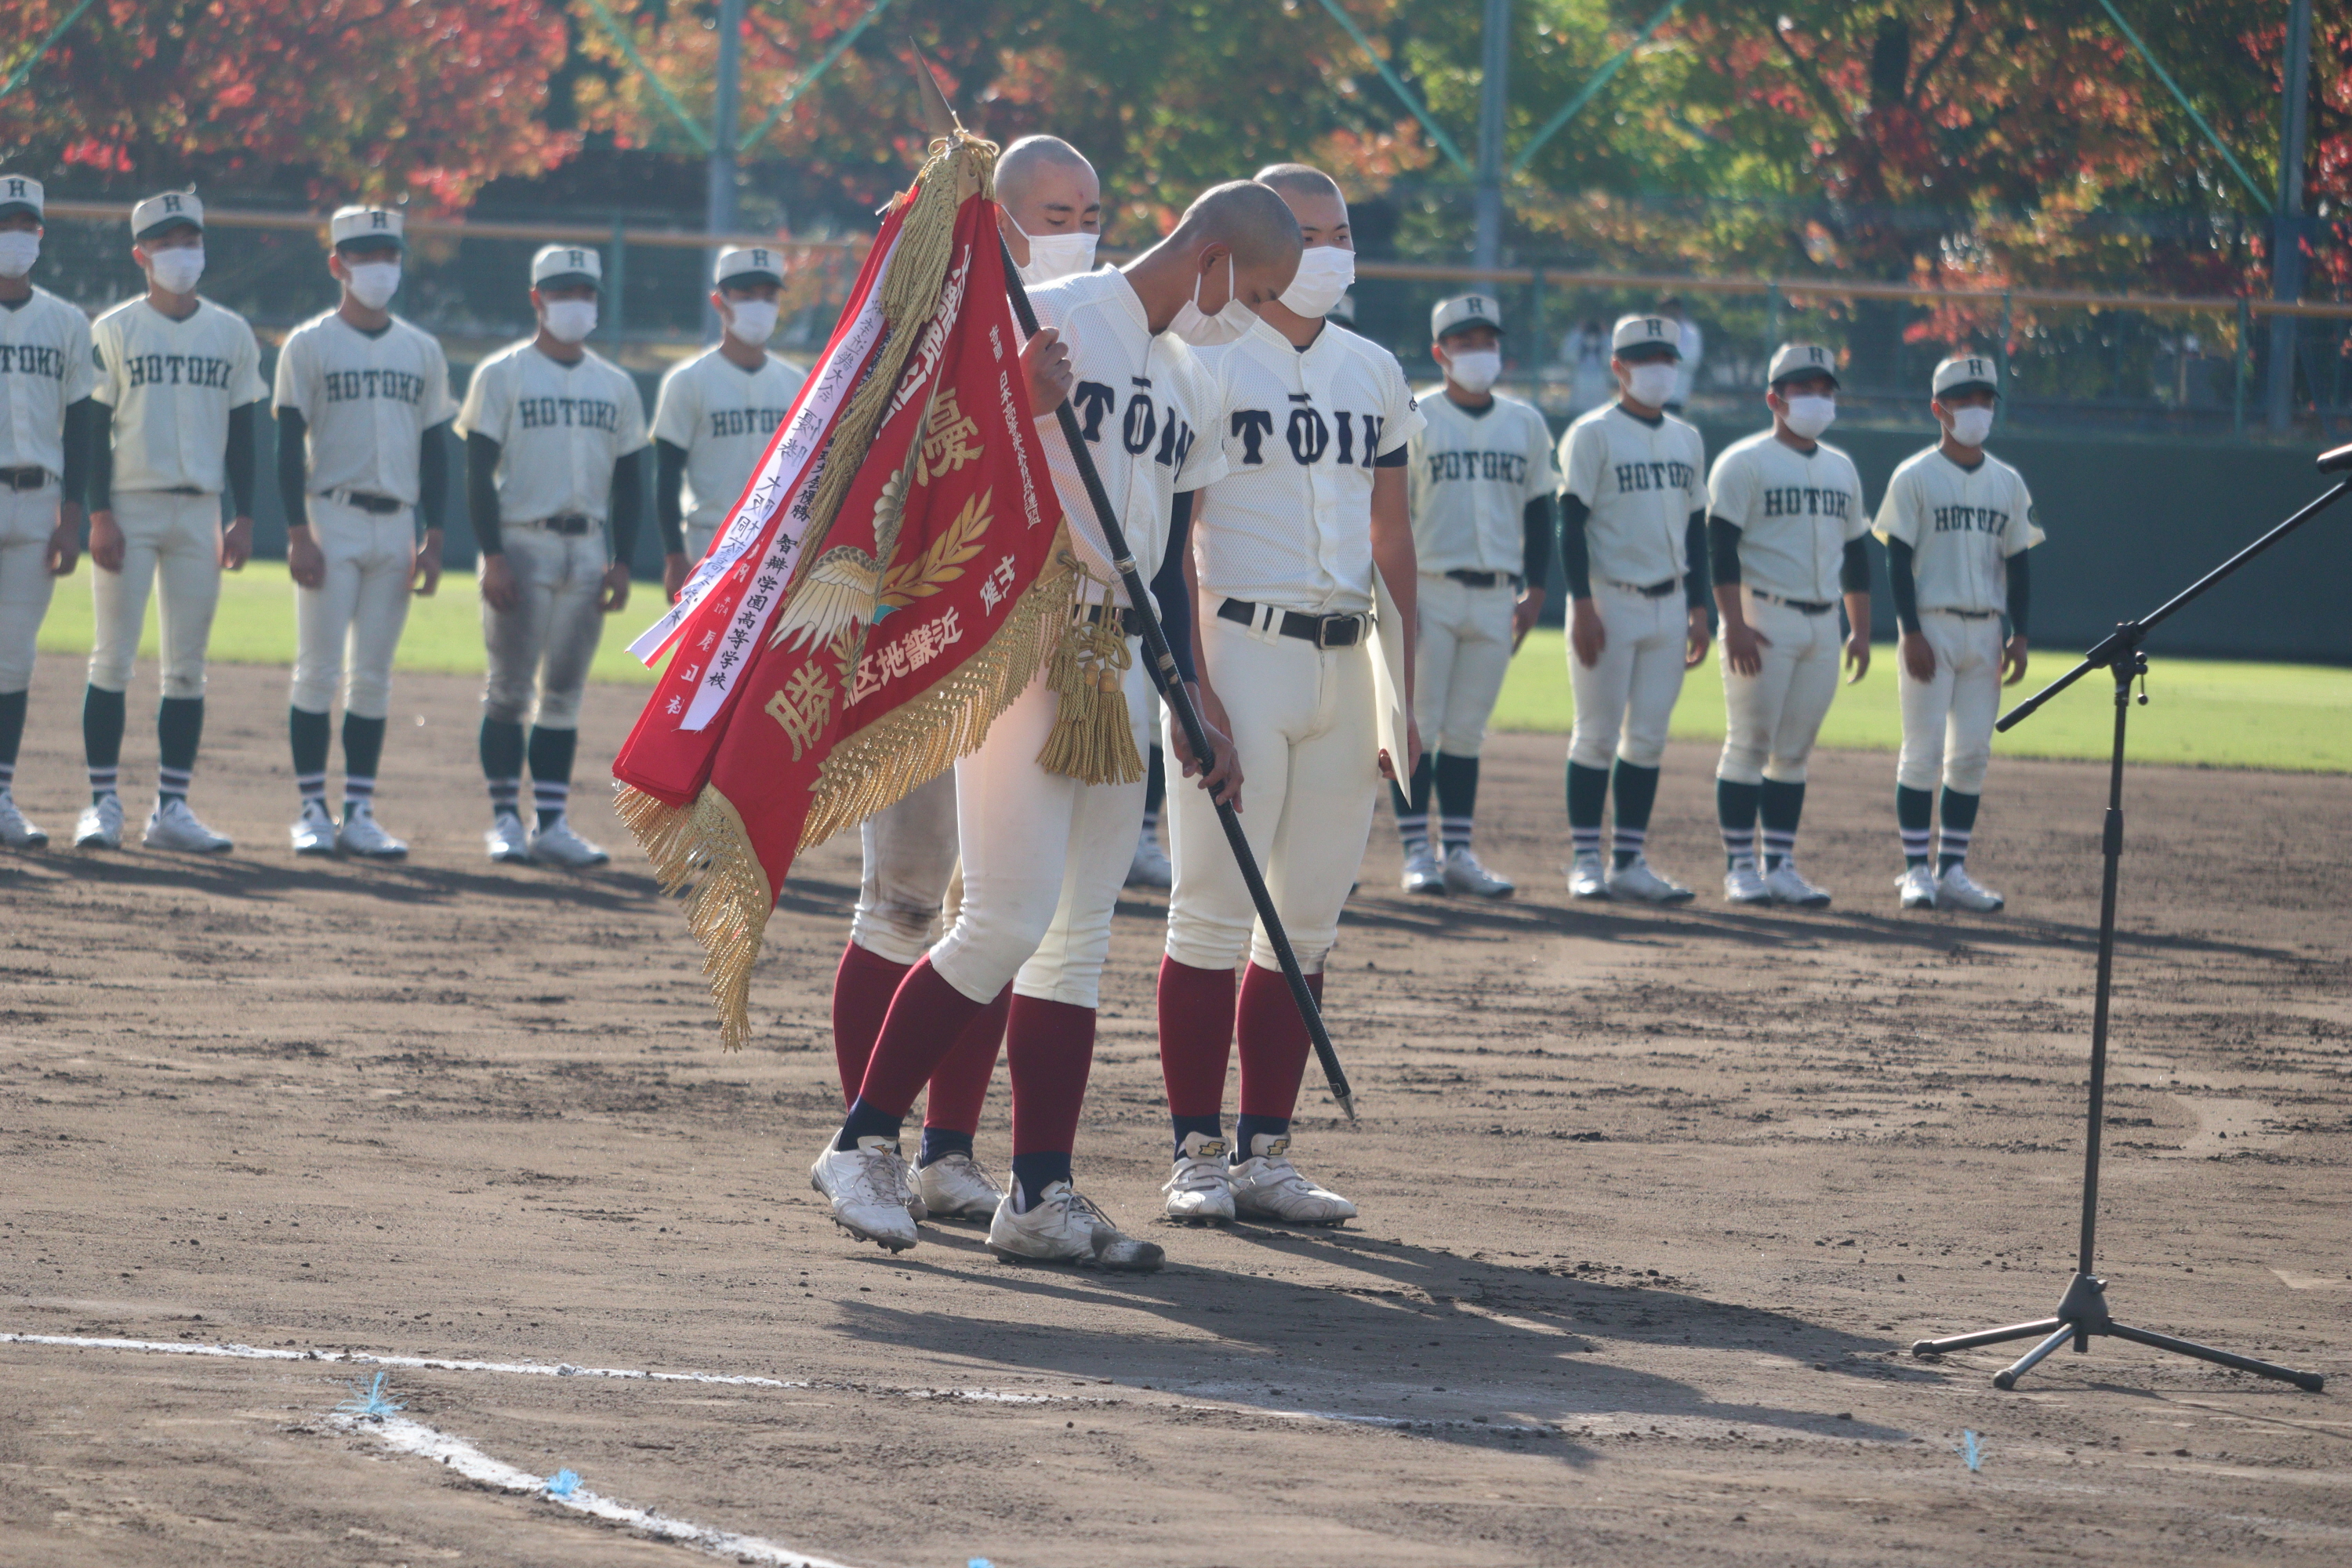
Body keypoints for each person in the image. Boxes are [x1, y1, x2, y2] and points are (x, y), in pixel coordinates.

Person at [809, 178, 1294, 1267]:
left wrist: (1191, 698)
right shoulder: (1049, 316)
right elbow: (917, 452)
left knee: (1074, 945)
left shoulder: (1190, 379)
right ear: (1210, 258)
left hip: (1119, 660)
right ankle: (862, 1142)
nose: (1250, 313)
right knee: (1003, 919)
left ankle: (1037, 1195)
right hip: (1024, 641)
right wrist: (1012, 402)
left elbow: (1165, 553)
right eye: (1253, 289)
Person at [824, 134, 1105, 1227]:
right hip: (923, 634)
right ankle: (869, 1142)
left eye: (1091, 208)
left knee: (987, 912)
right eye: (1054, 208)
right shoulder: (926, 319)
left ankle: (949, 1152)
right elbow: (888, 462)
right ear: (997, 219)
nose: (1076, 228)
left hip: (1034, 652)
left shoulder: (1095, 334)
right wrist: (1011, 398)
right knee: (904, 892)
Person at [1156, 163, 1421, 1225]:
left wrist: (1404, 694)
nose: (1327, 250)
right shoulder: (1201, 362)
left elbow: (1393, 538)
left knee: (1306, 923)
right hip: (1241, 647)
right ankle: (1195, 1153)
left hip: (1345, 658)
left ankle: (1266, 1153)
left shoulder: (1375, 368)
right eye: (1304, 232)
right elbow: (1174, 549)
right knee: (1212, 914)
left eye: (1339, 229)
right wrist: (1194, 693)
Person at [78, 190, 266, 853]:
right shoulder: (114, 329)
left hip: (201, 510)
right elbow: (93, 431)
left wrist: (244, 517)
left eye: (191, 239)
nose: (182, 252)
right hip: (129, 505)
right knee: (113, 657)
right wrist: (98, 513)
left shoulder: (230, 332)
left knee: (187, 667)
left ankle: (172, 810)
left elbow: (245, 433)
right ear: (141, 255)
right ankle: (102, 803)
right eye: (166, 242)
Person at [456, 244, 648, 869]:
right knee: (509, 690)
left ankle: (554, 822)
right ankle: (506, 820)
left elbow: (631, 479)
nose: (577, 303)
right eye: (563, 291)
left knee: (564, 693)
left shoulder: (615, 384)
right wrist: (492, 555)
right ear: (537, 299)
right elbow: (478, 472)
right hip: (523, 539)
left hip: (587, 547)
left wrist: (622, 561)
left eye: (587, 292)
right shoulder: (502, 372)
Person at [274, 205, 456, 858]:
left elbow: (438, 451)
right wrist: (296, 531)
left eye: (390, 253)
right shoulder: (309, 342)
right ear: (337, 264)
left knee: (374, 677)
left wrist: (434, 536)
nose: (381, 265)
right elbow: (284, 444)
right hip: (333, 516)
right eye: (366, 254)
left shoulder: (421, 348)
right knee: (318, 671)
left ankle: (359, 811)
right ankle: (309, 809)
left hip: (398, 522)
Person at [1392, 291, 1555, 898]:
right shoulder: (1416, 416)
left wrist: (1536, 589)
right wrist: (1398, 601)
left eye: (1488, 341)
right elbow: (1391, 515)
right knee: (1421, 724)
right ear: (1440, 352)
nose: (1480, 352)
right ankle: (1417, 853)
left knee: (1465, 731)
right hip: (1429, 588)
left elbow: (1541, 512)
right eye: (1465, 343)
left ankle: (1457, 850)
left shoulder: (1526, 423)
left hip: (1496, 594)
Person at [1705, 343, 1871, 906]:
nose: (1818, 399)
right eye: (1805, 389)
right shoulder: (1744, 461)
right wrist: (1734, 623)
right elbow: (1720, 547)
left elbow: (1857, 554)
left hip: (1823, 621)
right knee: (1749, 744)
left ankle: (1779, 864)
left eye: (1826, 390)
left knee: (1794, 751)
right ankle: (1739, 867)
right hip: (1764, 616)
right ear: (1774, 398)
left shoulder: (1840, 467)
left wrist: (1861, 630)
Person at [1875, 353, 2041, 913]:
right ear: (1938, 408)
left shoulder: (2007, 482)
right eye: (1965, 399)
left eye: (1985, 399)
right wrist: (1909, 631)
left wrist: (2019, 635)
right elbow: (1897, 560)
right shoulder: (1915, 475)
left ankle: (1954, 870)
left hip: (1987, 630)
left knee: (1971, 754)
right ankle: (1916, 870)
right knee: (1922, 753)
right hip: (1933, 626)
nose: (1976, 409)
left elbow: (2018, 563)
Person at [1557, 313, 1711, 902]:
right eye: (1645, 359)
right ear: (1618, 367)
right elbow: (1571, 525)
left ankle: (1629, 861)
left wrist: (1699, 609)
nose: (1658, 370)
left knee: (1647, 738)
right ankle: (1583, 860)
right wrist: (1583, 603)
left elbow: (1697, 528)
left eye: (1667, 359)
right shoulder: (1592, 433)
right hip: (1610, 600)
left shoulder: (1687, 437)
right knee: (1596, 736)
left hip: (1669, 604)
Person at [0, 174, 96, 851]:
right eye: (6, 222)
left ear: (41, 234)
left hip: (39, 499)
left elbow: (84, 424)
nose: (16, 235)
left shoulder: (65, 321)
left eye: (26, 224)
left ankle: (1, 795)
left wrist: (74, 511)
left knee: (13, 660)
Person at [652, 247, 806, 602]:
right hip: (709, 542)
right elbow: (667, 474)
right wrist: (674, 554)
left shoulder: (797, 382)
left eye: (768, 297)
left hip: (779, 544)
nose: (759, 306)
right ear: (718, 301)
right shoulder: (687, 380)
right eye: (747, 296)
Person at [1658, 296, 1703, 414]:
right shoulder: (1657, 331)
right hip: (1654, 396)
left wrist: (1667, 355)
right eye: (1665, 310)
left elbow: (1692, 360)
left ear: (1678, 310)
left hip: (1676, 394)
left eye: (1671, 309)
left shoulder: (1690, 332)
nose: (1668, 313)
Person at [1563, 317, 1610, 416]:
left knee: (1600, 409)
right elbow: (1567, 354)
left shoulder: (1604, 342)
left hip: (1599, 379)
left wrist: (1605, 334)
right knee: (1579, 408)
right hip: (1580, 377)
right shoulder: (1578, 340)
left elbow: (1612, 355)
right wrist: (1577, 333)